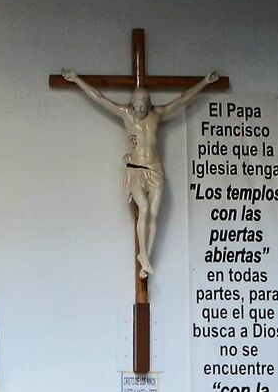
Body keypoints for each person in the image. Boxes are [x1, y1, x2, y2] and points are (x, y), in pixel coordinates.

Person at [60, 67, 220, 279]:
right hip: (135, 169)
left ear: (149, 104)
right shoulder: (126, 114)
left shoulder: (158, 114)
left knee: (155, 212)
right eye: (136, 106)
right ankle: (142, 254)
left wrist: (205, 82)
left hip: (155, 169)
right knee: (143, 208)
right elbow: (99, 97)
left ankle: (146, 258)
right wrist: (76, 80)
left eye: (143, 106)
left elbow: (182, 99)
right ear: (131, 104)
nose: (139, 109)